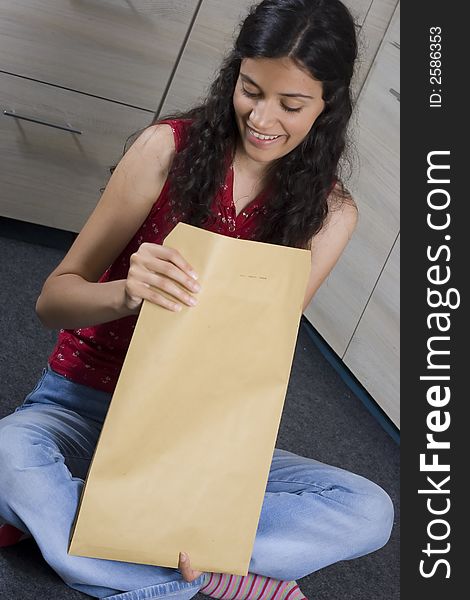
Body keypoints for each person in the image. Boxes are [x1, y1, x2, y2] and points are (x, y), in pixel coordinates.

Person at [0, 0, 394, 598]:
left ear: (327, 104)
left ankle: (101, 536)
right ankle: (205, 573)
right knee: (9, 449)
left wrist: (205, 486)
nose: (262, 119)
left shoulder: (331, 214)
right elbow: (53, 300)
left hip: (191, 438)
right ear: (234, 73)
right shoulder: (166, 149)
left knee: (370, 510)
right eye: (250, 90)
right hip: (79, 408)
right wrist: (126, 292)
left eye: (291, 105)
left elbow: (252, 365)